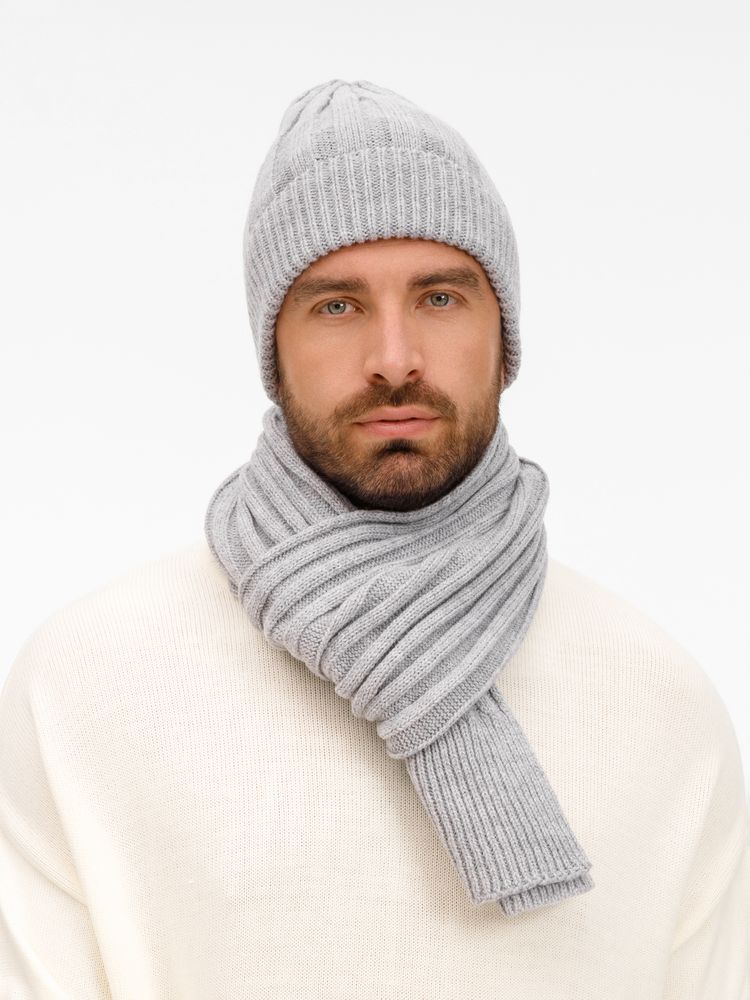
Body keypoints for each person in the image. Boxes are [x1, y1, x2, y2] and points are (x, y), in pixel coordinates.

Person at [1, 78, 748, 998]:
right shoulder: (83, 690)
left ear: (505, 336)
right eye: (337, 305)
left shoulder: (662, 705)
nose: (394, 358)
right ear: (272, 350)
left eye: (439, 297)